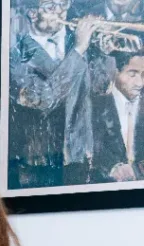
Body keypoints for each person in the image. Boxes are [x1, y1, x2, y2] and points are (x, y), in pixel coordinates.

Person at [9, 0, 102, 187]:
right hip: (38, 160)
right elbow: (44, 99)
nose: (60, 12)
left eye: (64, 4)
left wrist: (103, 53)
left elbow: (102, 88)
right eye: (51, 6)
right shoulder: (15, 54)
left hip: (78, 157)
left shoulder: (76, 40)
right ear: (33, 13)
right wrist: (78, 50)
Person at [91, 49, 144, 180]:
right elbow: (93, 148)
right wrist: (113, 167)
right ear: (115, 73)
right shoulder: (95, 106)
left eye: (143, 75)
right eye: (132, 75)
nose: (140, 83)